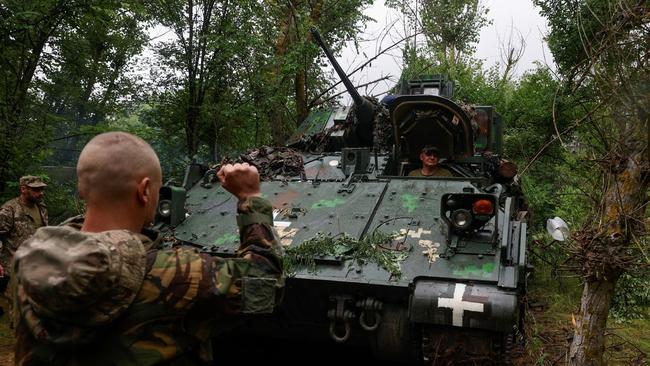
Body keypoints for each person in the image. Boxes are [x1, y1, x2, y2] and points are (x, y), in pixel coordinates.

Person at [13, 131, 284, 365]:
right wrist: (250, 198)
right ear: (145, 191)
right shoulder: (178, 274)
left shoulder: (31, 263)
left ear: (83, 188)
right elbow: (265, 283)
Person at [0, 176, 48, 271]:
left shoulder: (42, 207)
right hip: (14, 268)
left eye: (41, 189)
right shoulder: (9, 209)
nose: (41, 193)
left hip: (36, 267)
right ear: (23, 189)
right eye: (36, 190)